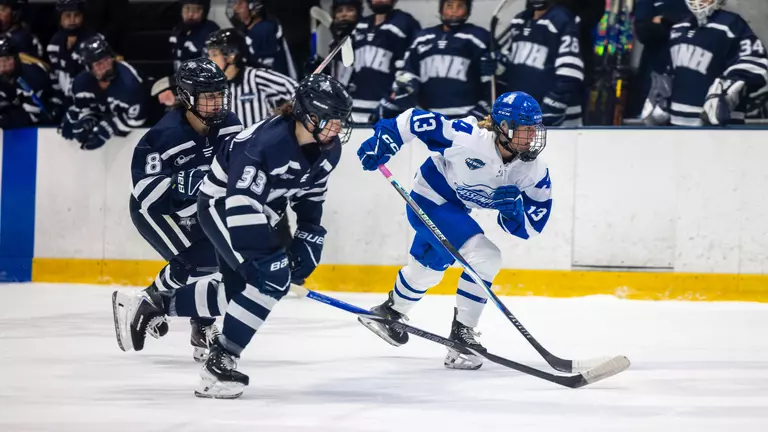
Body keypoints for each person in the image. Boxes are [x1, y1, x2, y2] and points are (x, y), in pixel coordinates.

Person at [112, 73, 353, 399]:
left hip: (259, 209)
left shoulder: (329, 149)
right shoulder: (266, 146)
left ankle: (155, 304)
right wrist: (269, 260)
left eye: (340, 121)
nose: (336, 129)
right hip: (221, 206)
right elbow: (239, 203)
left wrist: (309, 233)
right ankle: (220, 361)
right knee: (267, 281)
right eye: (328, 120)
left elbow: (310, 193)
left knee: (236, 292)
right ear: (306, 115)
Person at [356, 91, 553, 370]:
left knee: (428, 267)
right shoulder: (468, 138)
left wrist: (515, 213)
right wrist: (384, 139)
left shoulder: (533, 171)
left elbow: (532, 227)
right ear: (504, 126)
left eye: (535, 129)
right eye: (525, 129)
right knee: (485, 256)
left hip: (456, 210)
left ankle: (390, 313)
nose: (532, 137)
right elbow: (413, 119)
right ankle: (462, 335)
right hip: (427, 199)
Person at [113, 58, 244, 362]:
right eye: (208, 96)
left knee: (217, 262)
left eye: (219, 95)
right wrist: (183, 184)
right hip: (157, 211)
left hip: (200, 207)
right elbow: (147, 193)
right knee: (197, 263)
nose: (217, 102)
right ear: (186, 97)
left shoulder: (230, 124)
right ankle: (146, 301)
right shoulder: (162, 136)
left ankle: (201, 328)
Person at [643, 0, 768, 127]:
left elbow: (756, 63)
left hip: (721, 127)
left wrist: (729, 88)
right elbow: (671, 71)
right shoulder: (678, 27)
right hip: (676, 125)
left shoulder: (731, 24)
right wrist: (662, 97)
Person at [379, 0, 491, 120]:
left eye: (460, 6)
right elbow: (408, 72)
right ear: (441, 9)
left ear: (467, 11)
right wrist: (406, 90)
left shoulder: (480, 38)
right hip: (429, 118)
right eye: (449, 5)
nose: (454, 10)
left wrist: (478, 114)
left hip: (467, 117)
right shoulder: (422, 38)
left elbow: (492, 83)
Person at [488, 0, 584, 127]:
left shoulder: (564, 20)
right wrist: (496, 64)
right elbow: (511, 67)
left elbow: (570, 72)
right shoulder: (519, 20)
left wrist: (551, 108)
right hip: (523, 118)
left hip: (559, 122)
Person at [59, 34, 147, 150]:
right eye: (98, 64)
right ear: (89, 68)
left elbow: (138, 118)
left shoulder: (129, 83)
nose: (106, 66)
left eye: (106, 59)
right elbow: (83, 107)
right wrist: (86, 118)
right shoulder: (81, 83)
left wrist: (109, 127)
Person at [206, 28, 297, 127]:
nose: (209, 60)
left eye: (214, 55)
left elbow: (296, 89)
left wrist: (282, 118)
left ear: (232, 55)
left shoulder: (256, 77)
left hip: (261, 137)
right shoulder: (216, 87)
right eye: (209, 55)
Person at [348, 0, 420, 123]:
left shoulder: (405, 23)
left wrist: (395, 98)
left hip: (386, 106)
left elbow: (414, 63)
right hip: (356, 105)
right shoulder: (361, 25)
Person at [47, 0, 97, 122]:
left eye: (77, 15)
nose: (72, 20)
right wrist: (57, 101)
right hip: (66, 102)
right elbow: (54, 76)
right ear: (60, 18)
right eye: (67, 16)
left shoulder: (94, 43)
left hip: (90, 104)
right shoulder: (54, 43)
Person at [227, 0, 297, 79]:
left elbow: (268, 69)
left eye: (240, 4)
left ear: (254, 6)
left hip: (277, 82)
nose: (235, 8)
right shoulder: (253, 31)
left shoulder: (263, 30)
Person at [0, 35, 49, 128]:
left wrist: (4, 119)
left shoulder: (33, 75)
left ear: (16, 58)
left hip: (45, 124)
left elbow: (36, 115)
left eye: (7, 59)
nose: (2, 65)